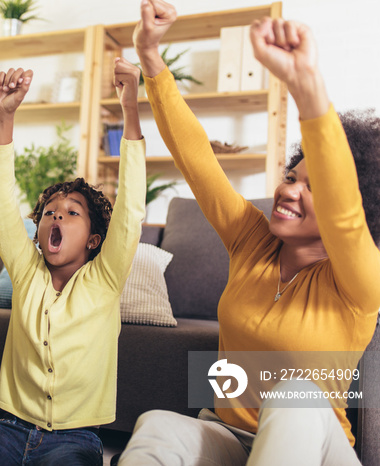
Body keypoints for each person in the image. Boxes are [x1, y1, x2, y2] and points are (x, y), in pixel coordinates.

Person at [118, 1, 380, 465]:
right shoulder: (252, 241)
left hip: (316, 448)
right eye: (292, 177)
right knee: (157, 425)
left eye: (314, 186)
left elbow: (345, 213)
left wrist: (304, 84)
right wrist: (151, 56)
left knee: (294, 395)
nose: (289, 191)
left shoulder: (360, 282)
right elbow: (197, 158)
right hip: (231, 438)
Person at [0, 59, 147, 465]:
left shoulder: (105, 279)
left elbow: (131, 211)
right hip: (9, 430)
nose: (57, 216)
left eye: (72, 213)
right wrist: (4, 114)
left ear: (93, 239)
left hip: (76, 439)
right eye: (50, 212)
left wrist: (130, 108)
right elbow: (1, 202)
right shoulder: (26, 269)